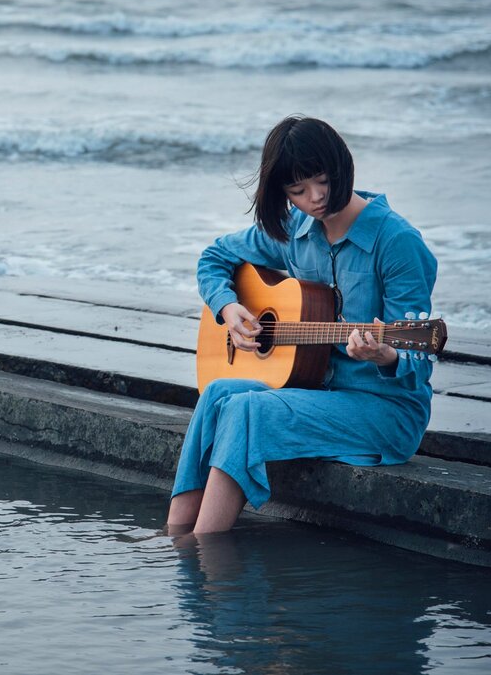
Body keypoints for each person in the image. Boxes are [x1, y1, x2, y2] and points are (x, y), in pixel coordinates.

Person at [168, 115, 438, 534]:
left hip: (385, 410)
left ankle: (201, 547)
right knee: (219, 392)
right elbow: (214, 257)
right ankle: (174, 530)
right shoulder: (296, 230)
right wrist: (227, 307)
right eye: (297, 190)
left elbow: (417, 358)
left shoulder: (397, 241)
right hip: (316, 392)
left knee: (247, 407)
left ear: (341, 166)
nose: (315, 197)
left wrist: (385, 355)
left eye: (322, 180)